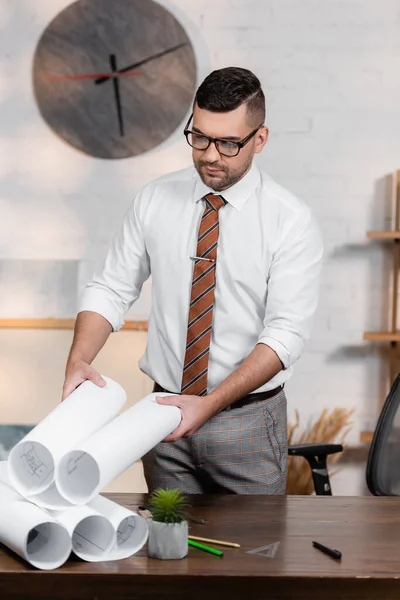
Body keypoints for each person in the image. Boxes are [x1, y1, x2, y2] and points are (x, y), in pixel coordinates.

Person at [63, 66, 323, 495]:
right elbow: (111, 288)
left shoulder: (289, 221)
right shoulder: (154, 199)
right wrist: (79, 359)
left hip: (248, 425)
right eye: (199, 137)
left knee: (252, 558)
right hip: (161, 414)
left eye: (228, 143)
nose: (210, 155)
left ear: (260, 139)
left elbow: (286, 335)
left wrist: (208, 406)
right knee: (168, 551)